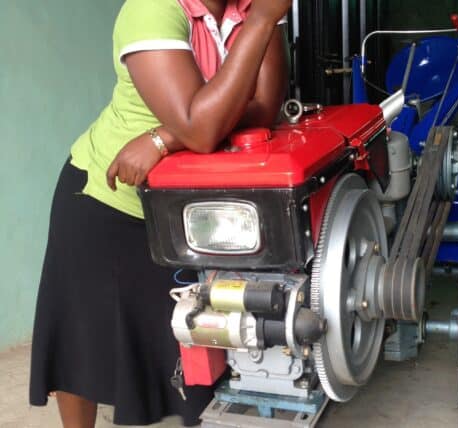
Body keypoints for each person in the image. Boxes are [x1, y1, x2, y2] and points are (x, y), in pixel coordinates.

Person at [29, 0, 291, 426]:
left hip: (187, 212)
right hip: (107, 202)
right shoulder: (152, 10)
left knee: (193, 342)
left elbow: (263, 107)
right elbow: (202, 127)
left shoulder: (252, 10)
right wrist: (192, 127)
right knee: (80, 346)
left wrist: (164, 139)